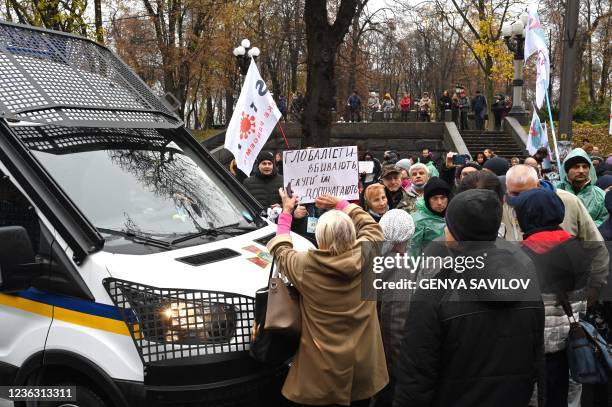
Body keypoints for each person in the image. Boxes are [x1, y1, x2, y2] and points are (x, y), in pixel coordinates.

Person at [394, 189, 545, 407]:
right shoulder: (526, 281)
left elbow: (415, 379)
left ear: (456, 235)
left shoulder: (434, 294)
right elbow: (537, 361)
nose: (445, 229)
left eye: (449, 224)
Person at [267, 191, 388, 406]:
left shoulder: (304, 265)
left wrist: (286, 212)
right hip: (363, 365)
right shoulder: (368, 254)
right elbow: (371, 227)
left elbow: (281, 248)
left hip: (321, 370)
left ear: (320, 237)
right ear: (352, 233)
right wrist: (340, 203)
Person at [509, 188, 591, 407]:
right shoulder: (580, 248)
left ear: (528, 216)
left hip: (538, 349)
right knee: (570, 396)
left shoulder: (521, 256)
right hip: (574, 341)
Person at [503, 165, 609, 307]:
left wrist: (595, 287)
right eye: (515, 194)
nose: (522, 200)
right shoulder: (501, 206)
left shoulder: (568, 201)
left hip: (568, 302)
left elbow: (595, 245)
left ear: (538, 184)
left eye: (528, 193)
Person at [374, 209, 416, 407]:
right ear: (408, 235)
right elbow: (394, 323)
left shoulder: (372, 255)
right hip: (386, 361)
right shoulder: (398, 266)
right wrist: (396, 367)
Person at [556, 148, 607, 226]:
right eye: (576, 167)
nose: (581, 171)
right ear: (567, 170)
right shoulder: (555, 192)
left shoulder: (600, 195)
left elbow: (605, 221)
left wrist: (584, 228)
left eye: (585, 167)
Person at [408, 177, 450, 256]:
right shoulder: (418, 221)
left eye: (443, 198)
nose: (439, 203)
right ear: (427, 200)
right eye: (435, 198)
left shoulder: (452, 215)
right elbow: (413, 251)